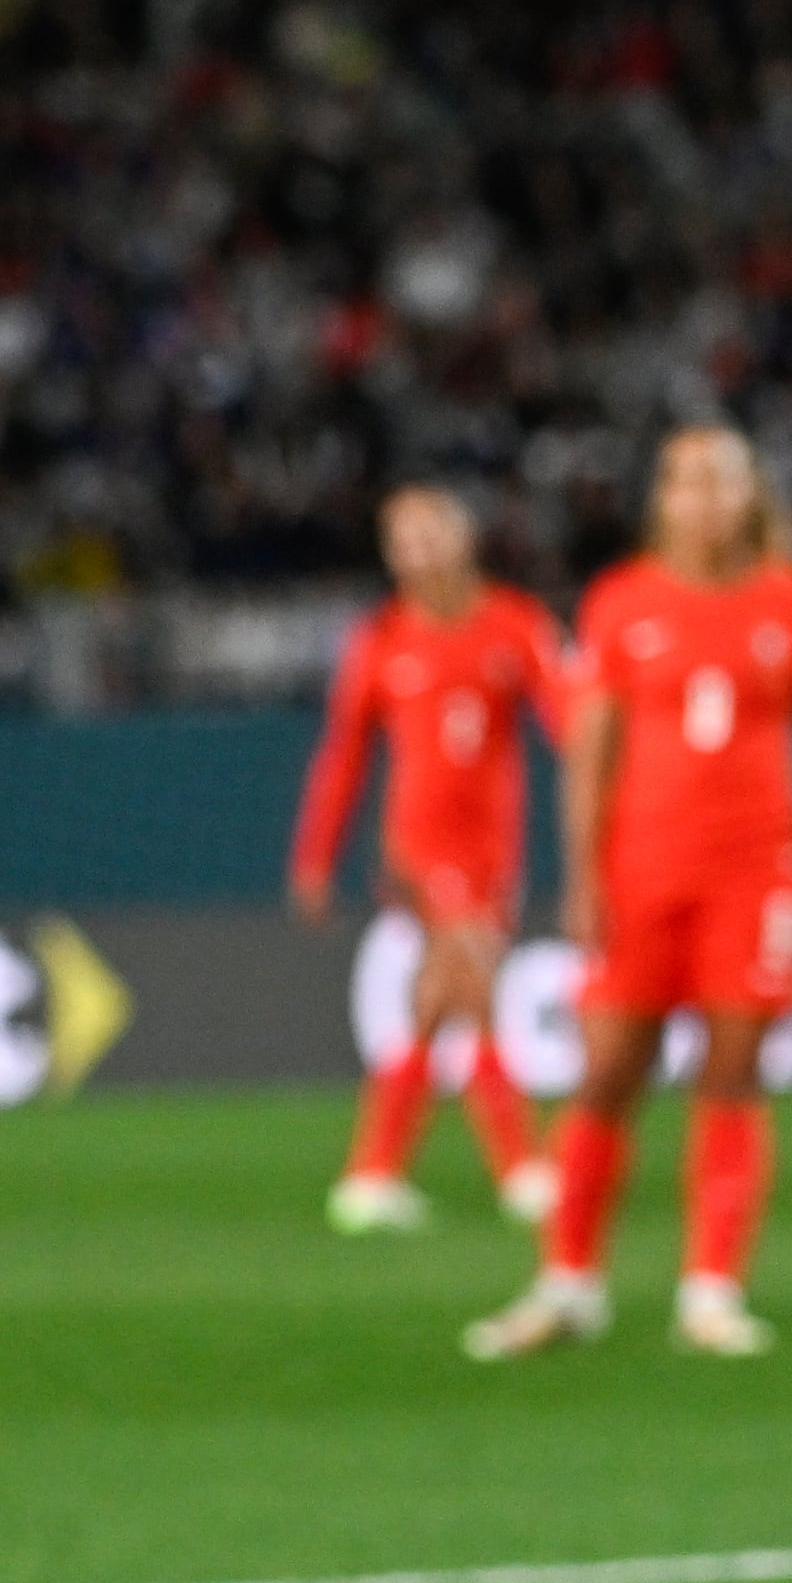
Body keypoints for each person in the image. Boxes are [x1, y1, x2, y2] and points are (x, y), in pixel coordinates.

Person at [461, 424, 792, 1360]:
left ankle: (711, 1290)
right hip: (642, 873)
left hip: (759, 872)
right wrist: (582, 876)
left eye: (720, 480)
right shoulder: (623, 604)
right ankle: (567, 1282)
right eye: (684, 482)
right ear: (661, 501)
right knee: (607, 1071)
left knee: (732, 1074)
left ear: (751, 495)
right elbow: (590, 756)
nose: (702, 499)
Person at [288, 484, 566, 1234]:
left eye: (430, 534)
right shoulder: (380, 641)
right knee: (474, 987)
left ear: (464, 538)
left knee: (435, 1006)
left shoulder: (516, 626)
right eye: (401, 540)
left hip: (494, 852)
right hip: (417, 850)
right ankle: (521, 1170)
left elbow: (571, 723)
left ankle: (372, 1173)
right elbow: (343, 758)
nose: (417, 553)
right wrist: (316, 857)